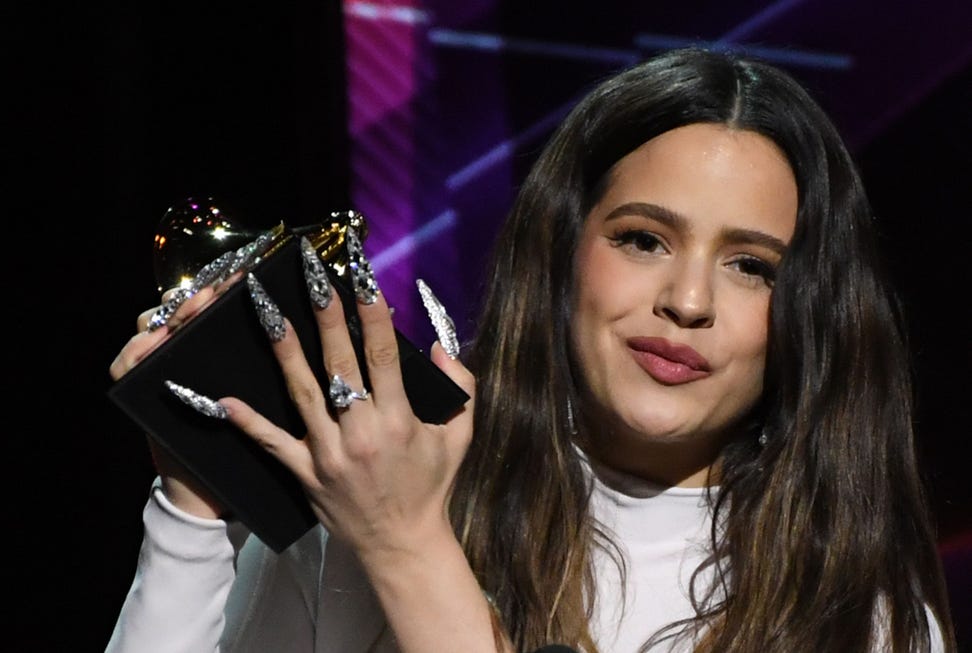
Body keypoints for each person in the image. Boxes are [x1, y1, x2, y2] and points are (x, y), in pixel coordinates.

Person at [104, 47, 956, 652]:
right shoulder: (376, 473)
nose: (687, 301)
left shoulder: (859, 610)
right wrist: (194, 502)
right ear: (561, 249)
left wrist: (405, 542)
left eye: (751, 266)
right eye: (642, 240)